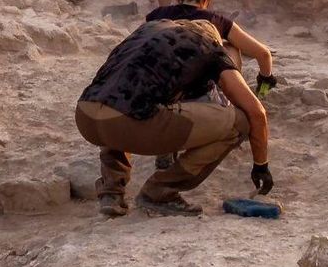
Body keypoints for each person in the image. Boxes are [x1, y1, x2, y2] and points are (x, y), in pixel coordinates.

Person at [76, 19, 271, 217]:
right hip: (128, 122)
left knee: (123, 98)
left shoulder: (148, 30)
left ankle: (111, 192)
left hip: (85, 115)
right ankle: (160, 191)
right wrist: (260, 165)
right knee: (240, 122)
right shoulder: (209, 46)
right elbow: (256, 111)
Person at [146, 0, 274, 94]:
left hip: (159, 83)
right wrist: (265, 80)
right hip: (197, 90)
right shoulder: (215, 20)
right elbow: (263, 54)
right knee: (230, 47)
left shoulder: (157, 14)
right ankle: (230, 93)